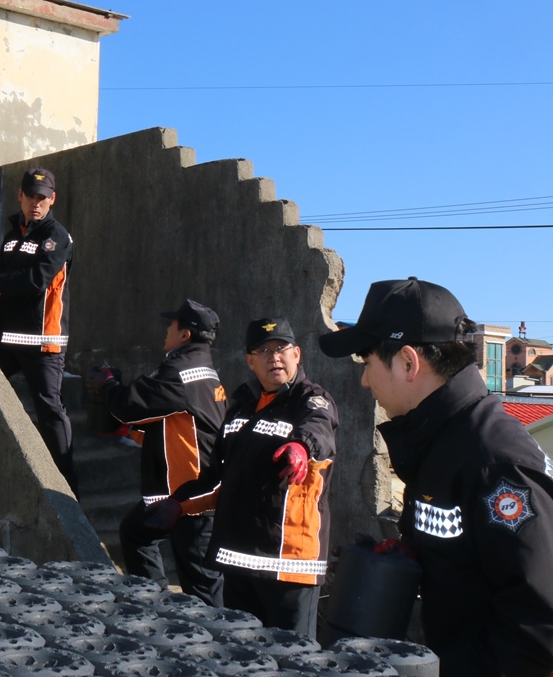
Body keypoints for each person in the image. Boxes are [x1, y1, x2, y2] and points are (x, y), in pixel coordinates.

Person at [320, 277, 553, 676]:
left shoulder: (493, 460)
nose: (364, 380)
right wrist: (405, 557)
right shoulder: (442, 440)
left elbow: (540, 621)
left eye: (367, 362)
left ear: (408, 362)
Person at [153, 317, 337, 638]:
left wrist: (301, 447)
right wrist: (178, 504)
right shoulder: (239, 408)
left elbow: (319, 429)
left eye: (281, 348)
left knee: (292, 657)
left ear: (297, 354)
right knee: (243, 655)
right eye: (263, 351)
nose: (273, 357)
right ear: (250, 361)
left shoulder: (311, 400)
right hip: (237, 560)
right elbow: (217, 476)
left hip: (288, 565)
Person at [89, 299, 227, 604]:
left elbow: (129, 405)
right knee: (135, 533)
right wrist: (130, 432)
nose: (166, 329)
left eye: (171, 324)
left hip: (191, 494)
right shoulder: (199, 369)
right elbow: (172, 423)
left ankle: (215, 631)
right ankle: (155, 607)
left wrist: (107, 384)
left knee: (202, 587)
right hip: (178, 490)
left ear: (185, 334)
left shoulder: (180, 372)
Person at [0, 168, 76, 494]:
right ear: (20, 196)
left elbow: (36, 280)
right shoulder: (13, 236)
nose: (36, 203)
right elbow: (3, 275)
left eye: (42, 198)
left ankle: (68, 491)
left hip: (43, 343)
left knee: (50, 412)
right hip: (7, 339)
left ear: (52, 200)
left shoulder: (58, 237)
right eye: (31, 197)